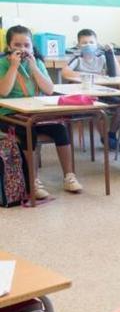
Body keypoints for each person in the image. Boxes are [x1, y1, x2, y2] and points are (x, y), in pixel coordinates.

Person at [0, 25, 83, 198]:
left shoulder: (36, 62)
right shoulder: (2, 63)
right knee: (27, 132)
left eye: (26, 45)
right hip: (9, 115)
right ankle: (33, 181)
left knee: (60, 129)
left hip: (34, 112)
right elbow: (4, 91)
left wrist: (35, 68)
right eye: (17, 45)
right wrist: (14, 66)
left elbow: (49, 89)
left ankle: (69, 176)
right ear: (9, 47)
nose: (22, 49)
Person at [61, 28, 120, 150]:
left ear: (97, 43)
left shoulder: (102, 57)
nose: (88, 45)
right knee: (99, 110)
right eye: (84, 43)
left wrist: (111, 54)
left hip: (102, 91)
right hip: (86, 95)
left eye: (91, 42)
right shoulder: (78, 58)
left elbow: (117, 73)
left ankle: (111, 134)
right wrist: (85, 75)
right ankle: (104, 138)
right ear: (79, 45)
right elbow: (65, 72)